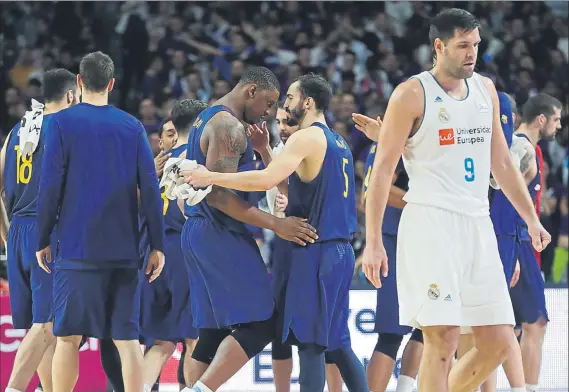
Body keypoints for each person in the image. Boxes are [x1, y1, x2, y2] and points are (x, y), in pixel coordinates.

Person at [361, 8, 550, 392]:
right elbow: (381, 172)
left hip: (477, 223)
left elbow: (502, 162)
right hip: (431, 223)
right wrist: (374, 241)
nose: (471, 53)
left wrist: (532, 219)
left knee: (498, 342)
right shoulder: (411, 93)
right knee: (443, 337)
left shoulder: (487, 90)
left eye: (476, 45)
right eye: (463, 45)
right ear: (439, 46)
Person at [184, 73, 368, 392]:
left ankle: (199, 388)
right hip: (337, 248)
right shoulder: (338, 141)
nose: (280, 108)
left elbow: (267, 180)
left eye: (287, 100)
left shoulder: (305, 138)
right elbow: (288, 183)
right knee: (337, 344)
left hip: (314, 246)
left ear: (308, 103)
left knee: (308, 343)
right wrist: (267, 151)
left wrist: (209, 175)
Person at [176, 67, 318, 392]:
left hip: (198, 232)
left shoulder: (207, 116)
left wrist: (262, 152)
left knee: (212, 332)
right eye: (268, 103)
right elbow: (220, 199)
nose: (268, 112)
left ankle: (193, 387)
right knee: (262, 323)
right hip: (218, 231)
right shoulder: (229, 127)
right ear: (251, 91)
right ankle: (200, 390)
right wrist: (277, 224)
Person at [35, 51, 165, 392]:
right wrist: (157, 245)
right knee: (127, 339)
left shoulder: (61, 123)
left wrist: (42, 238)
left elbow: (49, 186)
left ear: (79, 82)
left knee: (67, 338)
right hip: (123, 250)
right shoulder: (132, 126)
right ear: (111, 83)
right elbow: (150, 189)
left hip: (76, 248)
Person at [0, 68, 79, 392]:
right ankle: (15, 388)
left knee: (43, 325)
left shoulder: (16, 130)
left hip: (18, 230)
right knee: (49, 324)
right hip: (49, 231)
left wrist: (6, 233)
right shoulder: (66, 128)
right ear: (72, 96)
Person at [351, 112, 424, 392]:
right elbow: (371, 194)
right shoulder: (395, 143)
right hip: (397, 239)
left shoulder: (386, 142)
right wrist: (423, 201)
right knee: (392, 333)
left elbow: (364, 198)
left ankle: (405, 387)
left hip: (407, 238)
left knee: (427, 325)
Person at [508, 93, 561, 392]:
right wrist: (513, 252)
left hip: (523, 245)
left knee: (512, 330)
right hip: (517, 244)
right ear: (541, 119)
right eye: (556, 119)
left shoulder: (531, 150)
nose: (559, 125)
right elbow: (504, 201)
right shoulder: (521, 147)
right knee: (534, 323)